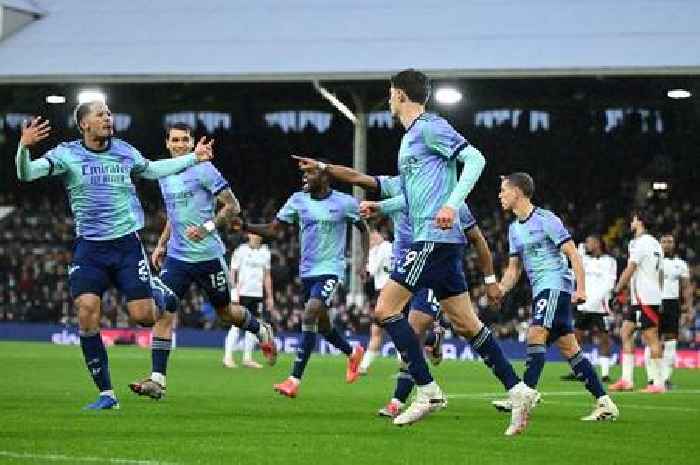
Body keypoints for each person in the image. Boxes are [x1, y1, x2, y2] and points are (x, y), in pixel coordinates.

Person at [367, 68, 537, 434]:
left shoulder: (430, 126)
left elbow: (476, 159)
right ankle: (518, 389)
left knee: (385, 308)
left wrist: (451, 204)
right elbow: (414, 198)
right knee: (465, 323)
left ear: (399, 95)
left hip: (432, 238)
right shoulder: (411, 137)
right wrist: (382, 208)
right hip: (438, 241)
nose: (389, 99)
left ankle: (427, 391)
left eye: (390, 93)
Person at [16, 106, 213, 410]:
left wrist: (193, 157)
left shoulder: (124, 151)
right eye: (100, 115)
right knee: (86, 311)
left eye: (108, 113)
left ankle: (158, 291)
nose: (108, 118)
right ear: (83, 124)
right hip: (90, 248)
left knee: (144, 316)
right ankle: (106, 394)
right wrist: (23, 148)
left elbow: (150, 169)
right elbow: (26, 173)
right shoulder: (67, 154)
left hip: (125, 246)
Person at [128, 123, 277, 400]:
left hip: (208, 257)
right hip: (177, 259)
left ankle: (259, 328)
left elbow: (233, 206)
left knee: (225, 313)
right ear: (167, 144)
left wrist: (207, 227)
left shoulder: (205, 170)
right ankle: (157, 380)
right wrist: (161, 245)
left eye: (185, 140)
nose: (180, 144)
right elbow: (175, 214)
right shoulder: (165, 173)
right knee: (163, 311)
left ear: (191, 142)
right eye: (175, 140)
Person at [496, 173, 619, 421]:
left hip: (556, 285)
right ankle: (605, 403)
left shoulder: (546, 219)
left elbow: (573, 254)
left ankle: (525, 394)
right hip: (541, 288)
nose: (500, 195)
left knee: (536, 333)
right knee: (570, 348)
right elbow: (514, 268)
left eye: (503, 190)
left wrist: (581, 288)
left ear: (518, 192)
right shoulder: (513, 230)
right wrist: (500, 289)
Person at [241, 163, 369, 397]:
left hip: (331, 269)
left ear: (324, 175)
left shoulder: (344, 203)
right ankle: (352, 352)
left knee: (310, 314)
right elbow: (273, 230)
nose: (305, 178)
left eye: (310, 173)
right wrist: (245, 226)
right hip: (308, 271)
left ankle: (294, 380)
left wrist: (364, 262)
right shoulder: (298, 200)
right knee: (322, 324)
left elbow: (364, 228)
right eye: (304, 174)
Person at [609, 211, 665, 393]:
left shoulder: (640, 243)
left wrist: (617, 290)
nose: (631, 222)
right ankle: (627, 380)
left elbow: (630, 268)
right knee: (626, 331)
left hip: (645, 298)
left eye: (633, 219)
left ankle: (658, 383)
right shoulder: (656, 243)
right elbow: (661, 273)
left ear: (639, 222)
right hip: (643, 297)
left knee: (651, 337)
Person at [560, 235, 616, 382]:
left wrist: (597, 299)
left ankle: (605, 374)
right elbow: (573, 274)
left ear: (598, 243)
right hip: (584, 305)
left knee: (604, 339)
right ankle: (578, 371)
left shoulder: (609, 261)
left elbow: (610, 284)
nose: (587, 245)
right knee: (576, 339)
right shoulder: (584, 260)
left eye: (589, 242)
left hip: (600, 307)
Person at [223, 232, 275, 368]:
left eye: (256, 234)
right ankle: (227, 357)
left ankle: (247, 358)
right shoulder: (241, 251)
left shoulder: (265, 252)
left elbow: (267, 276)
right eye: (252, 234)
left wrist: (269, 296)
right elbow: (232, 272)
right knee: (236, 324)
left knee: (254, 326)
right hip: (242, 293)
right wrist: (233, 292)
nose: (253, 236)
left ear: (260, 237)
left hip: (257, 294)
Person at [656, 233, 691, 388]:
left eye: (670, 242)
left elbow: (686, 287)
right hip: (654, 302)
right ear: (659, 244)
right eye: (664, 241)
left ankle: (665, 378)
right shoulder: (653, 262)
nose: (667, 244)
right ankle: (653, 378)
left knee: (670, 341)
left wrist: (688, 308)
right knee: (652, 338)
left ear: (674, 244)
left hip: (672, 303)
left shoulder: (681, 264)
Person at [360, 228, 393, 374]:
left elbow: (371, 270)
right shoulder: (391, 247)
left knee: (377, 330)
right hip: (391, 292)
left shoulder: (382, 249)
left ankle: (363, 366)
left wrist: (370, 252)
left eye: (373, 236)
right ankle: (364, 366)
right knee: (388, 330)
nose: (371, 240)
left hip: (386, 292)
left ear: (380, 234)